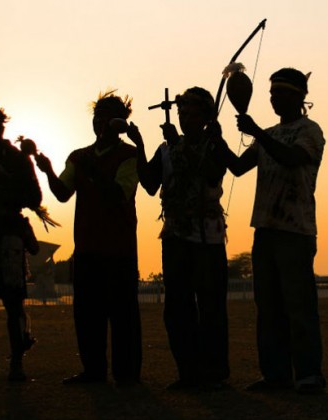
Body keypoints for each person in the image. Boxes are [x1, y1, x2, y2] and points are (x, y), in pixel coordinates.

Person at [214, 67, 326, 394]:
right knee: (269, 308)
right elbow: (237, 167)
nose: (273, 98)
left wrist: (258, 133)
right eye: (271, 93)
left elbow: (292, 159)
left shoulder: (310, 130)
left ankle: (308, 374)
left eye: (279, 93)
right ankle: (275, 375)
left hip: (296, 230)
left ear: (297, 96)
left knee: (298, 305)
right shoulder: (270, 134)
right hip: (264, 229)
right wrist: (216, 137)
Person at [35, 91, 142, 386]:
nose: (101, 123)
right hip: (87, 247)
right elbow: (62, 193)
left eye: (108, 118)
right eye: (99, 117)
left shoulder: (130, 157)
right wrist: (47, 171)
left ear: (120, 123)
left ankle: (127, 373)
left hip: (119, 248)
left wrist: (92, 171)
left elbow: (119, 194)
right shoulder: (79, 157)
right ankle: (93, 371)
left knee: (123, 315)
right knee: (88, 315)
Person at [127, 87, 230, 390]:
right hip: (174, 237)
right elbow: (148, 183)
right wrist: (140, 145)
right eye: (182, 113)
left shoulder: (214, 145)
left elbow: (212, 175)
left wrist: (177, 144)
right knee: (177, 307)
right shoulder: (166, 149)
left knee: (211, 307)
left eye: (191, 114)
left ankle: (214, 372)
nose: (185, 119)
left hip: (207, 239)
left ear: (205, 117)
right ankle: (188, 371)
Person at [0, 102, 41, 381]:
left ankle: (15, 364)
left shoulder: (15, 158)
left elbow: (34, 198)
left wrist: (3, 185)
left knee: (13, 305)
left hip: (7, 238)